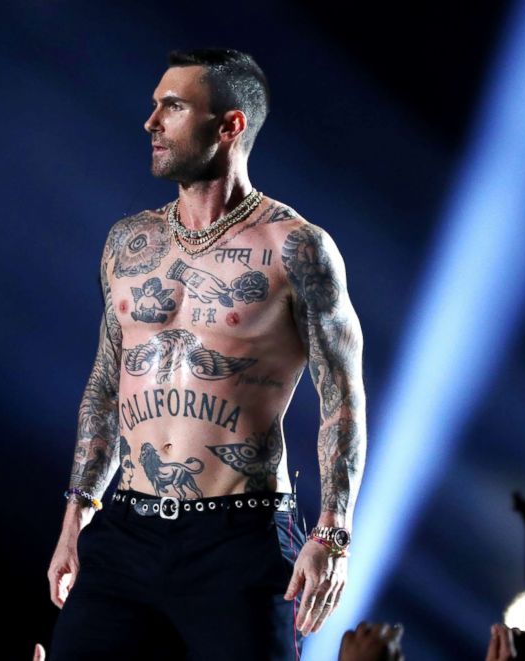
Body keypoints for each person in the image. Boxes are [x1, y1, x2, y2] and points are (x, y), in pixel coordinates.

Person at [47, 48, 367, 660]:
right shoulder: (128, 243)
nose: (151, 123)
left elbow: (342, 398)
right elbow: (107, 386)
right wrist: (77, 517)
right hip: (125, 531)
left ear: (230, 126)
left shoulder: (297, 249)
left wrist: (334, 531)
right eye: (153, 106)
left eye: (172, 106)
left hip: (239, 538)